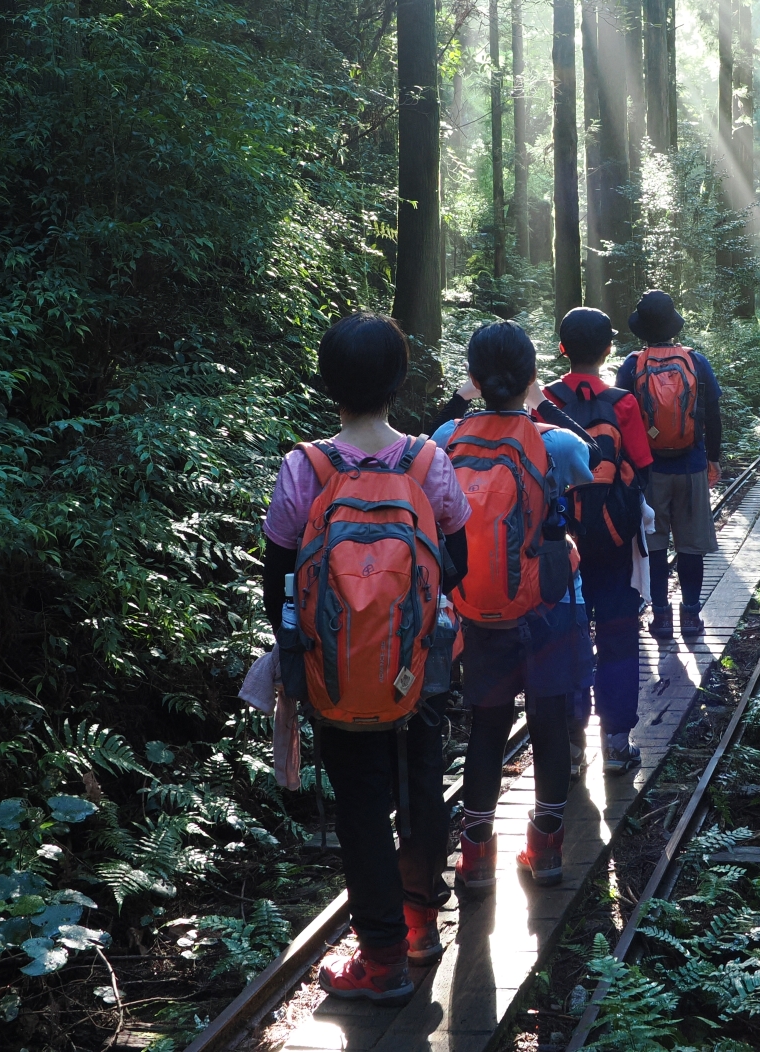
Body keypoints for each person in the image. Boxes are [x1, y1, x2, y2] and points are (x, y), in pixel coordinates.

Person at [260, 312, 470, 1003]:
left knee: (361, 807)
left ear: (327, 384)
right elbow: (458, 563)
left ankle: (380, 963)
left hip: (338, 672)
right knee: (423, 786)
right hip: (421, 667)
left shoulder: (305, 468)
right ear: (400, 380)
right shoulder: (427, 461)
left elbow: (279, 583)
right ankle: (421, 929)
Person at [432, 322, 592, 892]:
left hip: (479, 610)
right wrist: (540, 401)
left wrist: (468, 400)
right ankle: (545, 849)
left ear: (473, 379)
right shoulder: (559, 443)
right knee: (548, 723)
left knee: (488, 728)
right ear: (530, 377)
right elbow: (587, 464)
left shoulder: (447, 438)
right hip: (552, 605)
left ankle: (475, 858)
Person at [545, 307, 654, 774]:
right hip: (613, 540)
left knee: (565, 640)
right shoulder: (623, 402)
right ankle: (616, 744)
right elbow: (643, 468)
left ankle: (570, 748)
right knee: (617, 633)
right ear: (609, 349)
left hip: (559, 541)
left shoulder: (544, 402)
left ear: (562, 348)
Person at [615, 290, 722, 639]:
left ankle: (660, 617)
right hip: (691, 466)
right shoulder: (696, 362)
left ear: (641, 329)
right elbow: (713, 416)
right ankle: (691, 616)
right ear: (673, 325)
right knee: (691, 546)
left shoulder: (632, 366)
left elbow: (620, 422)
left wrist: (628, 467)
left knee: (655, 545)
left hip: (649, 471)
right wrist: (713, 459)